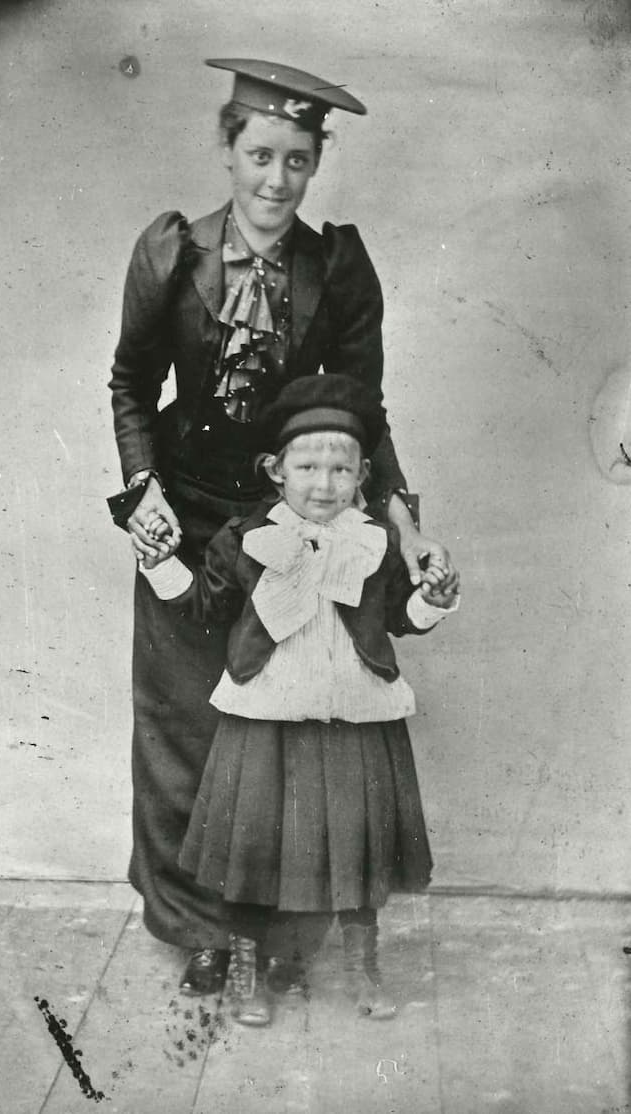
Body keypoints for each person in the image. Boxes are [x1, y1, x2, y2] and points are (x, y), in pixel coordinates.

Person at [108, 57, 458, 996]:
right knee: (181, 726)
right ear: (228, 150)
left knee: (272, 737)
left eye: (298, 161)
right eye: (260, 154)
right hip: (185, 518)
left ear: (314, 165)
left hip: (288, 529)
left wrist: (406, 527)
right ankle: (201, 932)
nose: (277, 180)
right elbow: (131, 388)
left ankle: (269, 931)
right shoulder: (171, 255)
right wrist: (144, 491)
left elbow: (365, 418)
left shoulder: (335, 267)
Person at [138, 375, 460, 1026]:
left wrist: (432, 597)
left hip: (355, 717)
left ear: (363, 473)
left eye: (341, 468)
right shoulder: (249, 538)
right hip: (268, 716)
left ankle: (363, 968)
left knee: (356, 846)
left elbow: (399, 617)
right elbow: (205, 608)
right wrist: (161, 561)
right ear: (274, 470)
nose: (323, 484)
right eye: (306, 466)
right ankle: (255, 977)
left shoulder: (372, 543)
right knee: (260, 849)